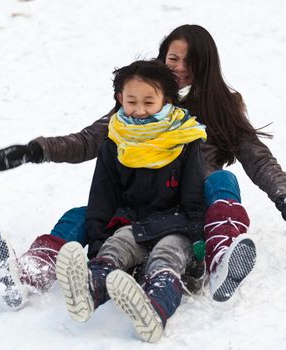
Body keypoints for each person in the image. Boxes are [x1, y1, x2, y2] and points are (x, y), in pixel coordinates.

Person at [0, 24, 286, 309]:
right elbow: (88, 140)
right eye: (173, 57)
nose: (179, 66)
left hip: (188, 209)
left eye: (190, 61)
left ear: (207, 65)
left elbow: (253, 152)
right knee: (79, 216)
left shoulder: (219, 105)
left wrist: (285, 196)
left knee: (221, 180)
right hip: (139, 201)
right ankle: (29, 273)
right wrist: (36, 150)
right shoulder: (140, 103)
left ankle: (220, 258)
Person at [55, 59, 207, 343]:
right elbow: (103, 193)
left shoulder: (185, 140)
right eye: (131, 101)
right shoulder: (115, 141)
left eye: (149, 102)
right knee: (115, 247)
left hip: (176, 225)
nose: (139, 110)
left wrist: (198, 245)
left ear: (167, 101)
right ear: (119, 99)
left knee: (166, 257)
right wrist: (98, 239)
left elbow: (194, 198)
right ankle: (89, 291)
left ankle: (153, 310)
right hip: (133, 223)